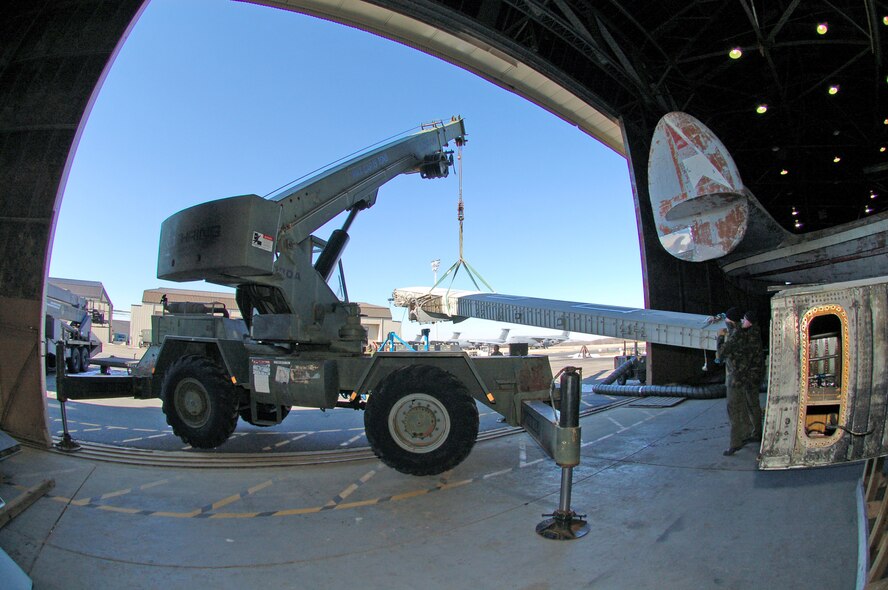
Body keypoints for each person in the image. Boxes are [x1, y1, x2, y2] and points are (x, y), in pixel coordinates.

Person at [716, 307, 764, 456]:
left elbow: (720, 354)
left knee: (734, 411)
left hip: (735, 379)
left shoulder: (735, 335)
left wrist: (719, 338)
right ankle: (747, 433)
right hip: (743, 377)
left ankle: (735, 443)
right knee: (744, 408)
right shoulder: (743, 333)